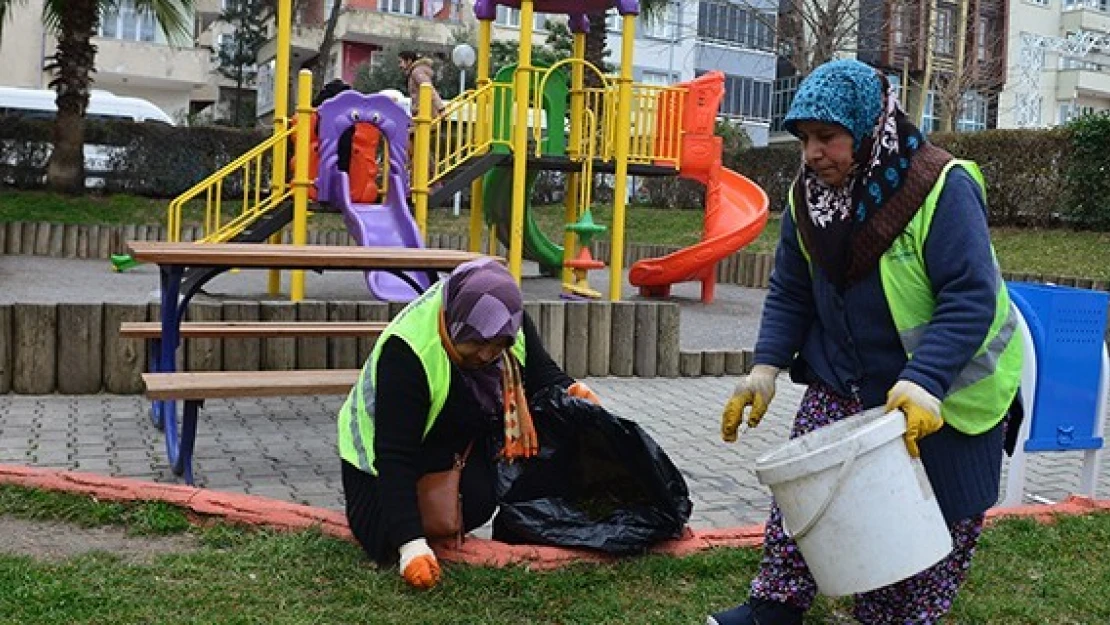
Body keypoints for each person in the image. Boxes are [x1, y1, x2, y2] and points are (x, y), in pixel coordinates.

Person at [708, 59, 1023, 625]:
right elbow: (790, 289)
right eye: (803, 138)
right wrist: (765, 368)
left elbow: (971, 295)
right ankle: (774, 608)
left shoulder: (941, 186)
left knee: (927, 523)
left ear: (867, 124)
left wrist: (926, 379)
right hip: (846, 378)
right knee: (803, 494)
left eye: (827, 137)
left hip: (946, 391)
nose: (811, 153)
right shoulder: (809, 199)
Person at [338, 258, 601, 589]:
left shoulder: (506, 322)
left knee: (506, 471)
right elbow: (394, 457)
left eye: (498, 345)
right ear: (454, 323)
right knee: (384, 537)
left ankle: (514, 531)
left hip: (450, 443)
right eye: (476, 342)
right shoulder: (407, 353)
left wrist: (573, 392)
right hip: (376, 470)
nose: (487, 354)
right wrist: (412, 545)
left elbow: (543, 375)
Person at [398, 50, 445, 118]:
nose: (399, 65)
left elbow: (429, 89)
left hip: (425, 115)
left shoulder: (417, 72)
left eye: (400, 62)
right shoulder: (413, 73)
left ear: (409, 61)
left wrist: (441, 109)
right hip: (421, 114)